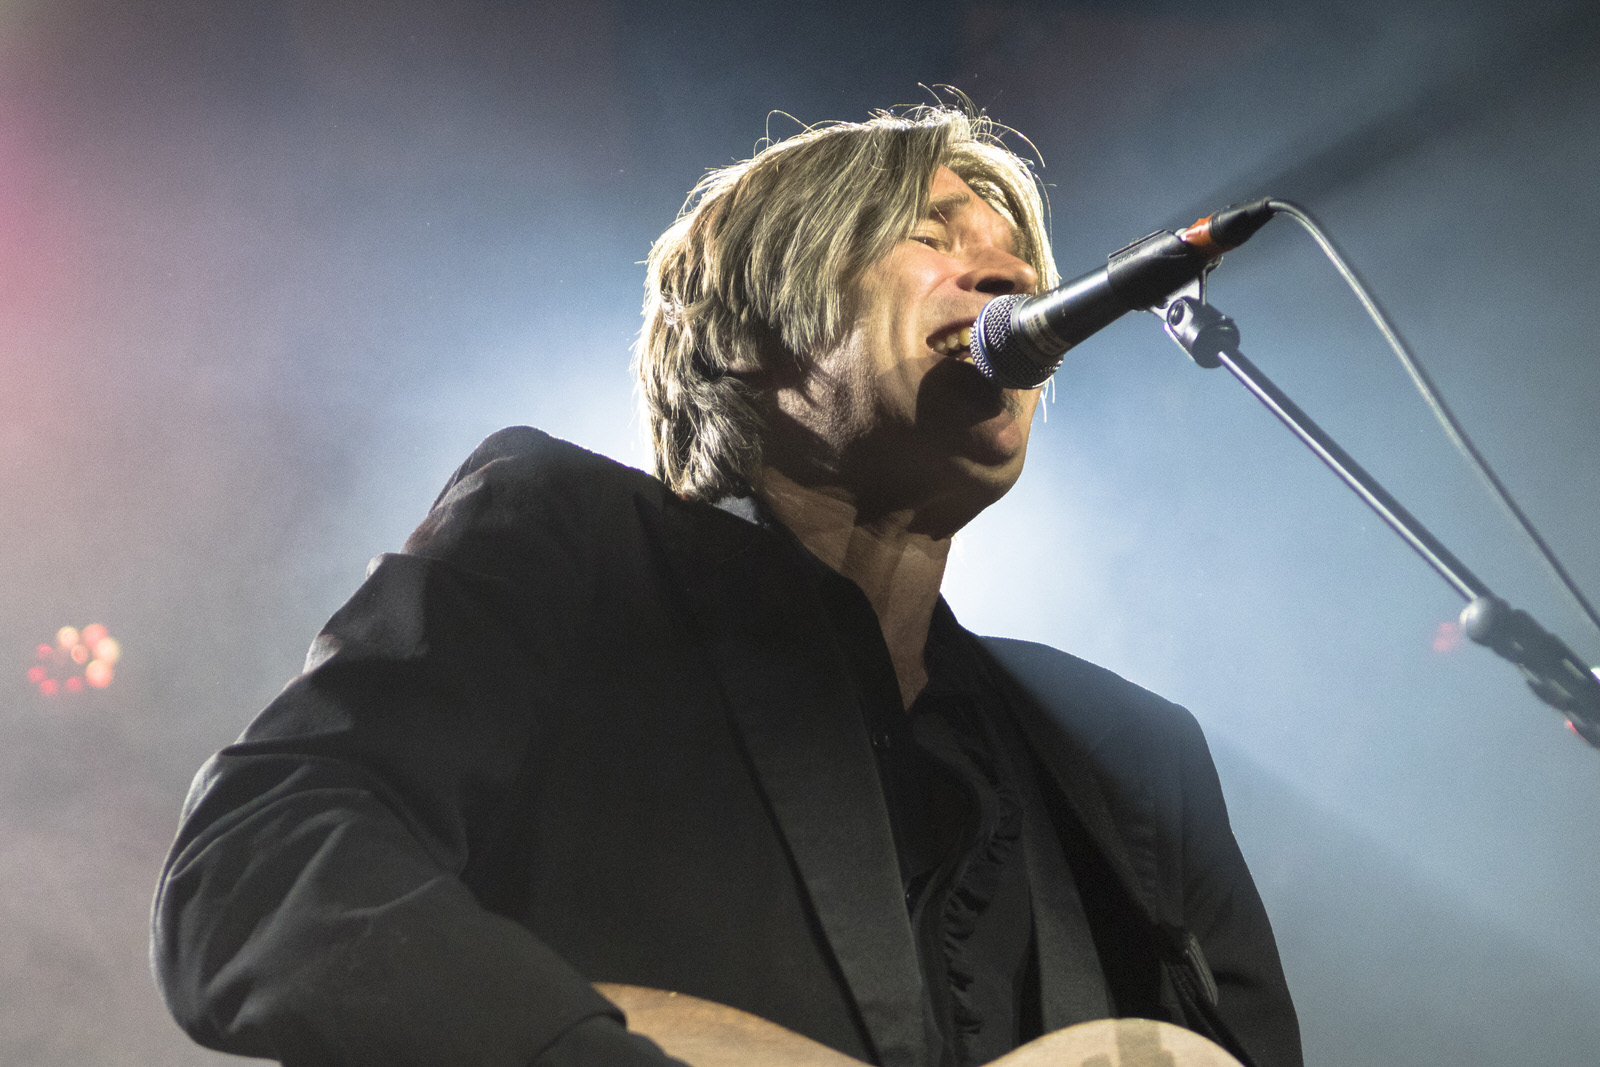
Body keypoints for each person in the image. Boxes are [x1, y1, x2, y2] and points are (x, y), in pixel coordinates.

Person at [152, 104, 1302, 1067]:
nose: (1007, 272)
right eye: (930, 232)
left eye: (1017, 257)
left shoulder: (1127, 752)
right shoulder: (572, 542)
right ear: (749, 328)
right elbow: (257, 866)